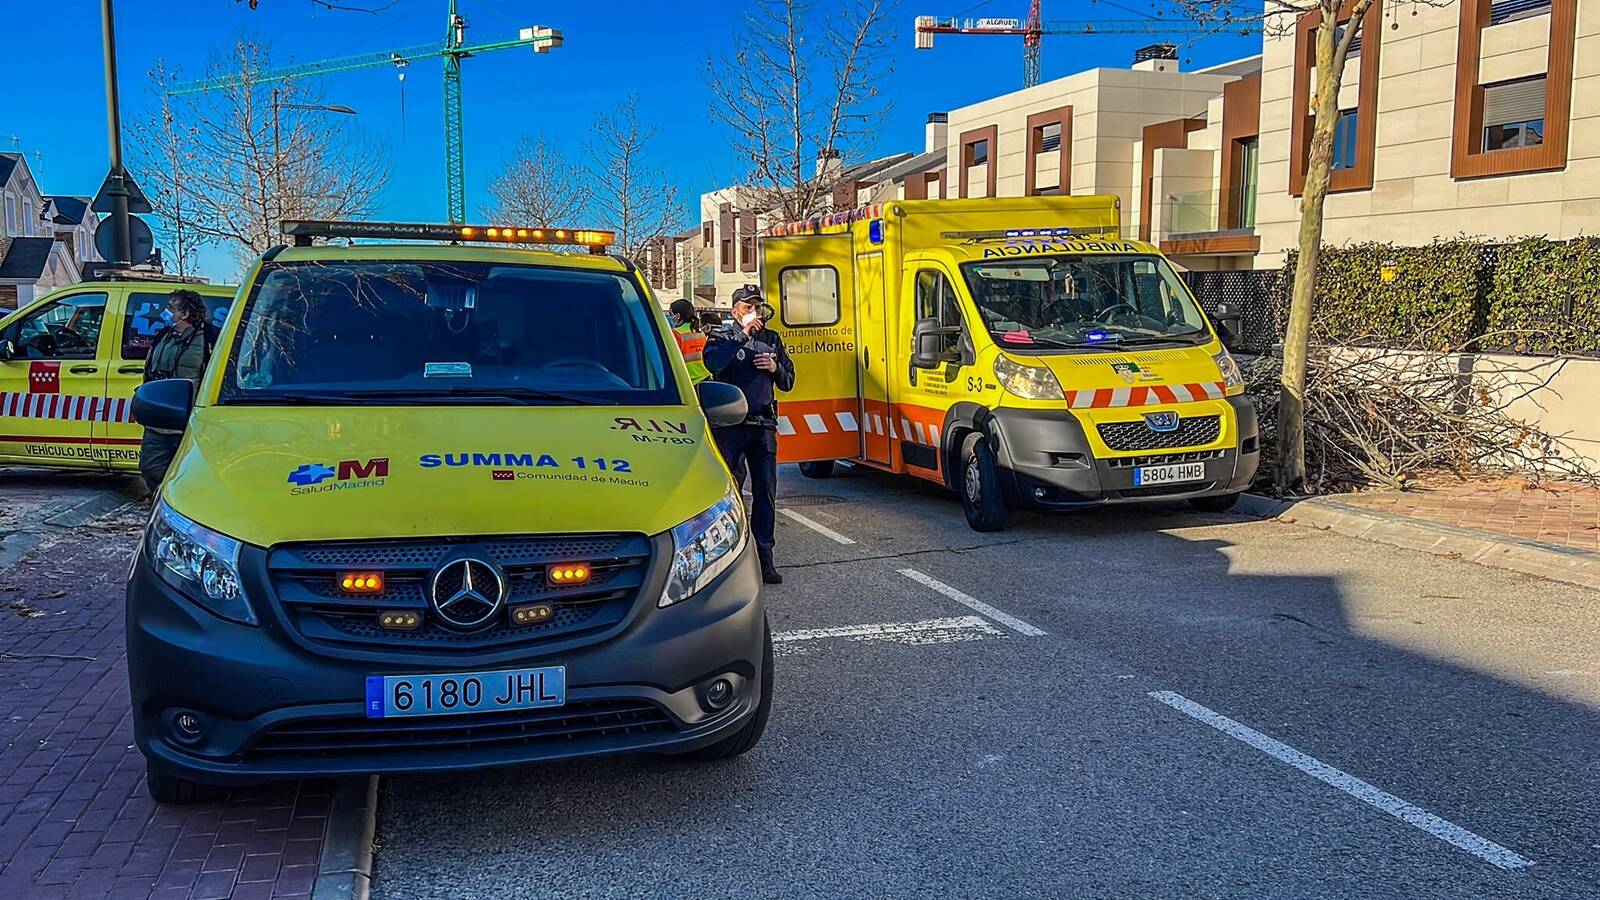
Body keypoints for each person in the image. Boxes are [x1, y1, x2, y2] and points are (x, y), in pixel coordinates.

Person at [703, 284, 795, 585]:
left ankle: (765, 559)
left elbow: (789, 380)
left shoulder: (772, 339)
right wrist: (742, 335)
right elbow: (714, 364)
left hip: (762, 424)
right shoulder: (721, 337)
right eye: (747, 307)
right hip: (729, 427)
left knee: (766, 493)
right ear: (735, 312)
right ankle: (728, 558)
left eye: (757, 306)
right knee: (729, 493)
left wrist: (775, 366)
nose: (754, 312)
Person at [139, 290, 212, 492]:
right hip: (159, 418)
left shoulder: (209, 339)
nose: (166, 311)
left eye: (171, 307)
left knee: (189, 477)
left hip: (189, 422)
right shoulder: (164, 335)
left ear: (186, 313)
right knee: (151, 469)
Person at [668, 299, 711, 384]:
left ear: (677, 316)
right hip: (705, 377)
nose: (669, 317)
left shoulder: (676, 334)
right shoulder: (699, 332)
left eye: (670, 314)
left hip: (689, 381)